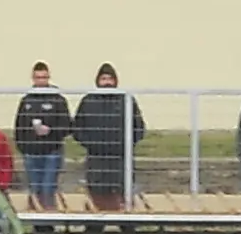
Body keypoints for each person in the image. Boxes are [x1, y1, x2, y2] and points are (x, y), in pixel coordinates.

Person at [73, 63, 144, 208]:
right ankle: (95, 227)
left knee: (122, 192)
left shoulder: (126, 100)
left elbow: (139, 127)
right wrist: (91, 144)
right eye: (103, 78)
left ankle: (127, 227)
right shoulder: (88, 101)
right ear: (98, 81)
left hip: (120, 157)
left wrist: (126, 144)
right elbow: (77, 127)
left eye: (110, 79)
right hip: (96, 158)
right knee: (97, 193)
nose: (107, 82)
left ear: (115, 81)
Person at [12, 62, 72, 210]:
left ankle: (48, 221)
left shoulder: (58, 100)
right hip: (31, 154)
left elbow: (67, 126)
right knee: (34, 189)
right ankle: (37, 224)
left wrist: (51, 131)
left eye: (44, 77)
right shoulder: (27, 100)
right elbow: (19, 125)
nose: (41, 81)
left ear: (49, 78)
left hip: (51, 152)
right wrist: (23, 148)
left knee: (48, 188)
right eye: (38, 78)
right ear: (33, 78)